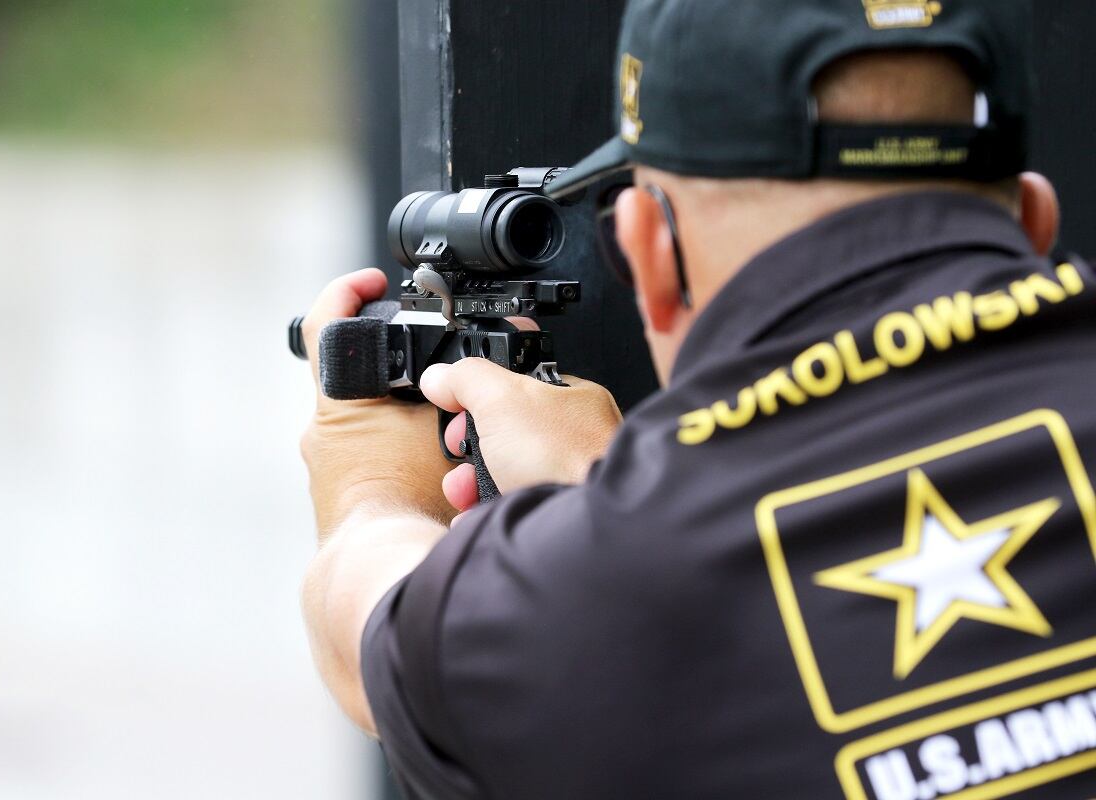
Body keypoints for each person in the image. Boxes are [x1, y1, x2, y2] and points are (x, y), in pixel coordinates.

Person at [297, 1, 1096, 797]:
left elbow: (365, 644)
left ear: (651, 251)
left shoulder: (611, 585)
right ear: (1033, 219)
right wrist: (608, 492)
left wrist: (369, 477)